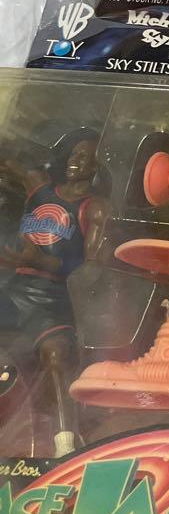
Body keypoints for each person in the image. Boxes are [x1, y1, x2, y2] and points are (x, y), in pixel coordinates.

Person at [0, 132, 106, 456]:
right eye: (74, 154)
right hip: (14, 288)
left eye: (84, 157)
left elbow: (91, 266)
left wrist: (41, 261)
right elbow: (9, 162)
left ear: (96, 167)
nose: (75, 160)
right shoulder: (40, 188)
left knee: (57, 356)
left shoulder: (94, 208)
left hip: (52, 296)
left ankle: (65, 445)